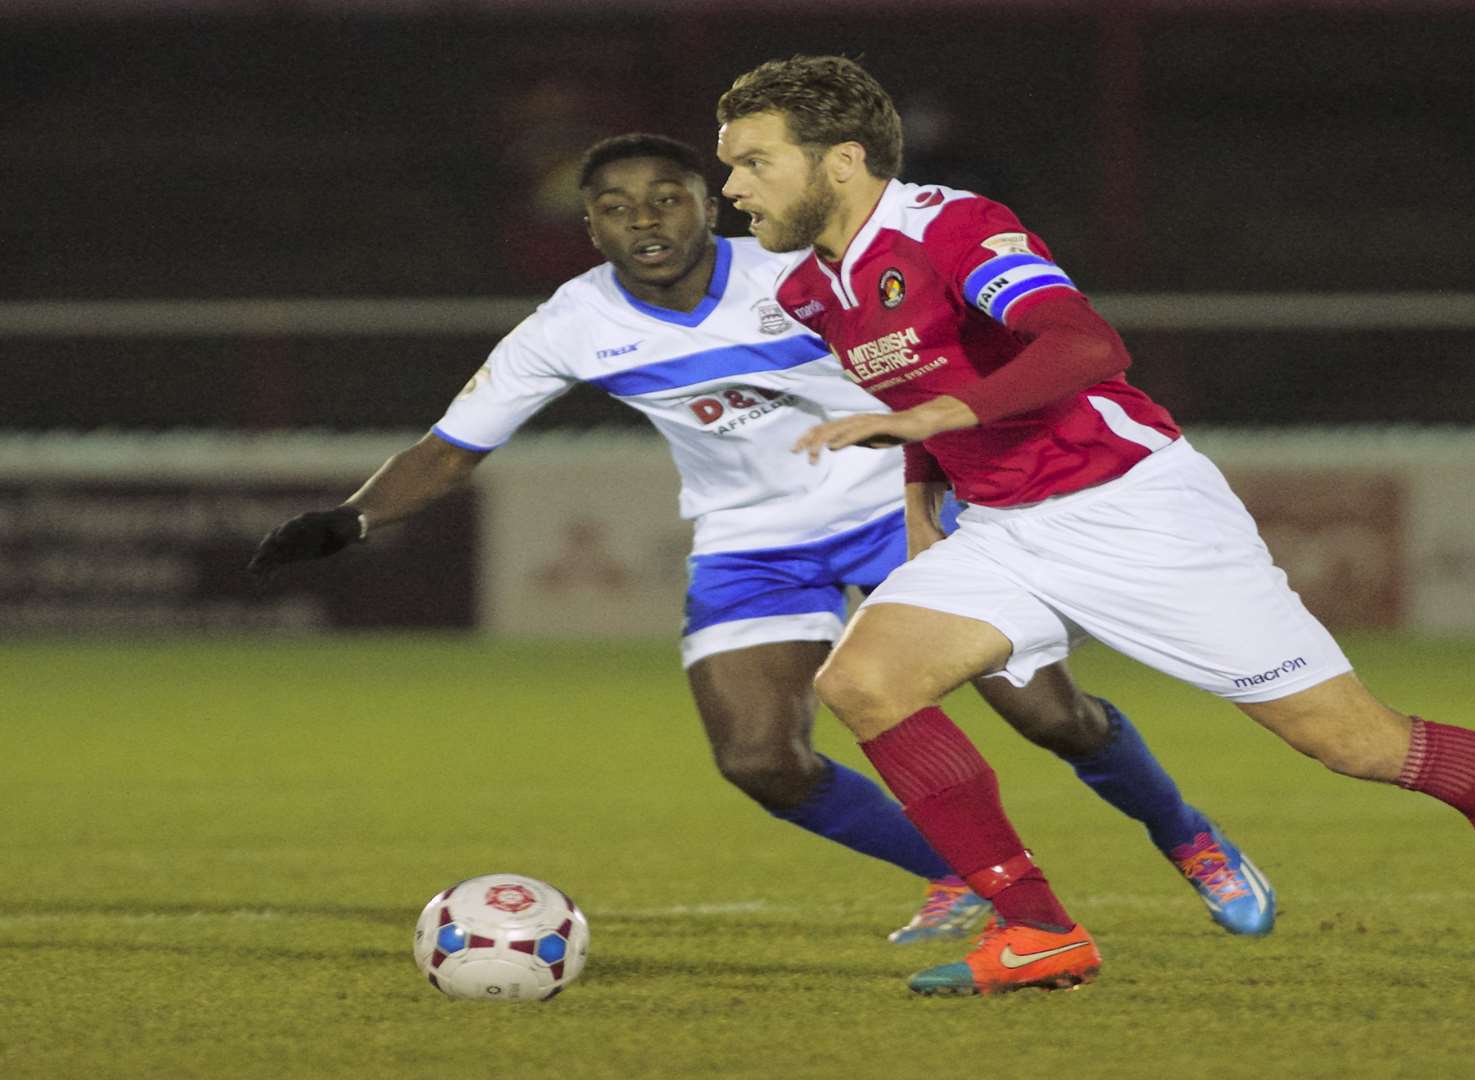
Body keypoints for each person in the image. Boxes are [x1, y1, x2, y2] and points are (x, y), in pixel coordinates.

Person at [714, 57, 1475, 996]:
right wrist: (922, 503)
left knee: (1359, 744)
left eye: (755, 163)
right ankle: (1036, 927)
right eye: (731, 168)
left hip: (1135, 511)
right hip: (1008, 529)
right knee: (865, 682)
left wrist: (938, 420)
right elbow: (923, 386)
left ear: (842, 161)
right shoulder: (816, 289)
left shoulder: (952, 226)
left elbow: (1082, 343)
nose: (735, 189)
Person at [247, 133, 1276, 946]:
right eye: (615, 206)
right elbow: (454, 445)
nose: (644, 219)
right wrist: (351, 518)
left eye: (668, 197)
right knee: (760, 760)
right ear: (590, 227)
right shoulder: (570, 323)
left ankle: (1189, 839)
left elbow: (949, 340)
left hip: (893, 507)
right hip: (752, 542)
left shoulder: (795, 275)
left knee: (1048, 714)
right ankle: (966, 877)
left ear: (711, 202)